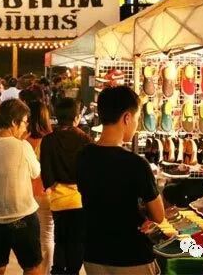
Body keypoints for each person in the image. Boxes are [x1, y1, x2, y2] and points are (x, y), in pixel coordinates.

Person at [78, 86, 164, 275]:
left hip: (93, 254)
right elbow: (159, 215)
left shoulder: (83, 156)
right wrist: (144, 213)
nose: (136, 125)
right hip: (132, 256)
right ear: (126, 118)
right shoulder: (136, 164)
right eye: (137, 118)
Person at [0, 98, 42, 275]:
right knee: (32, 268)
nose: (25, 128)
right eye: (24, 122)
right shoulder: (23, 146)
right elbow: (36, 172)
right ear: (14, 122)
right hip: (22, 217)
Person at [40, 98, 91, 275]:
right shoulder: (85, 139)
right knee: (77, 241)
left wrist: (52, 185)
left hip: (58, 200)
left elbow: (46, 172)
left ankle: (58, 270)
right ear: (76, 118)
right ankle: (72, 272)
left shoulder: (48, 140)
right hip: (79, 200)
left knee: (60, 240)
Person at [26, 101, 55, 275]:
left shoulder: (24, 141)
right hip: (49, 192)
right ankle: (45, 270)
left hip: (30, 194)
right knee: (47, 236)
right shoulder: (51, 139)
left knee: (36, 238)